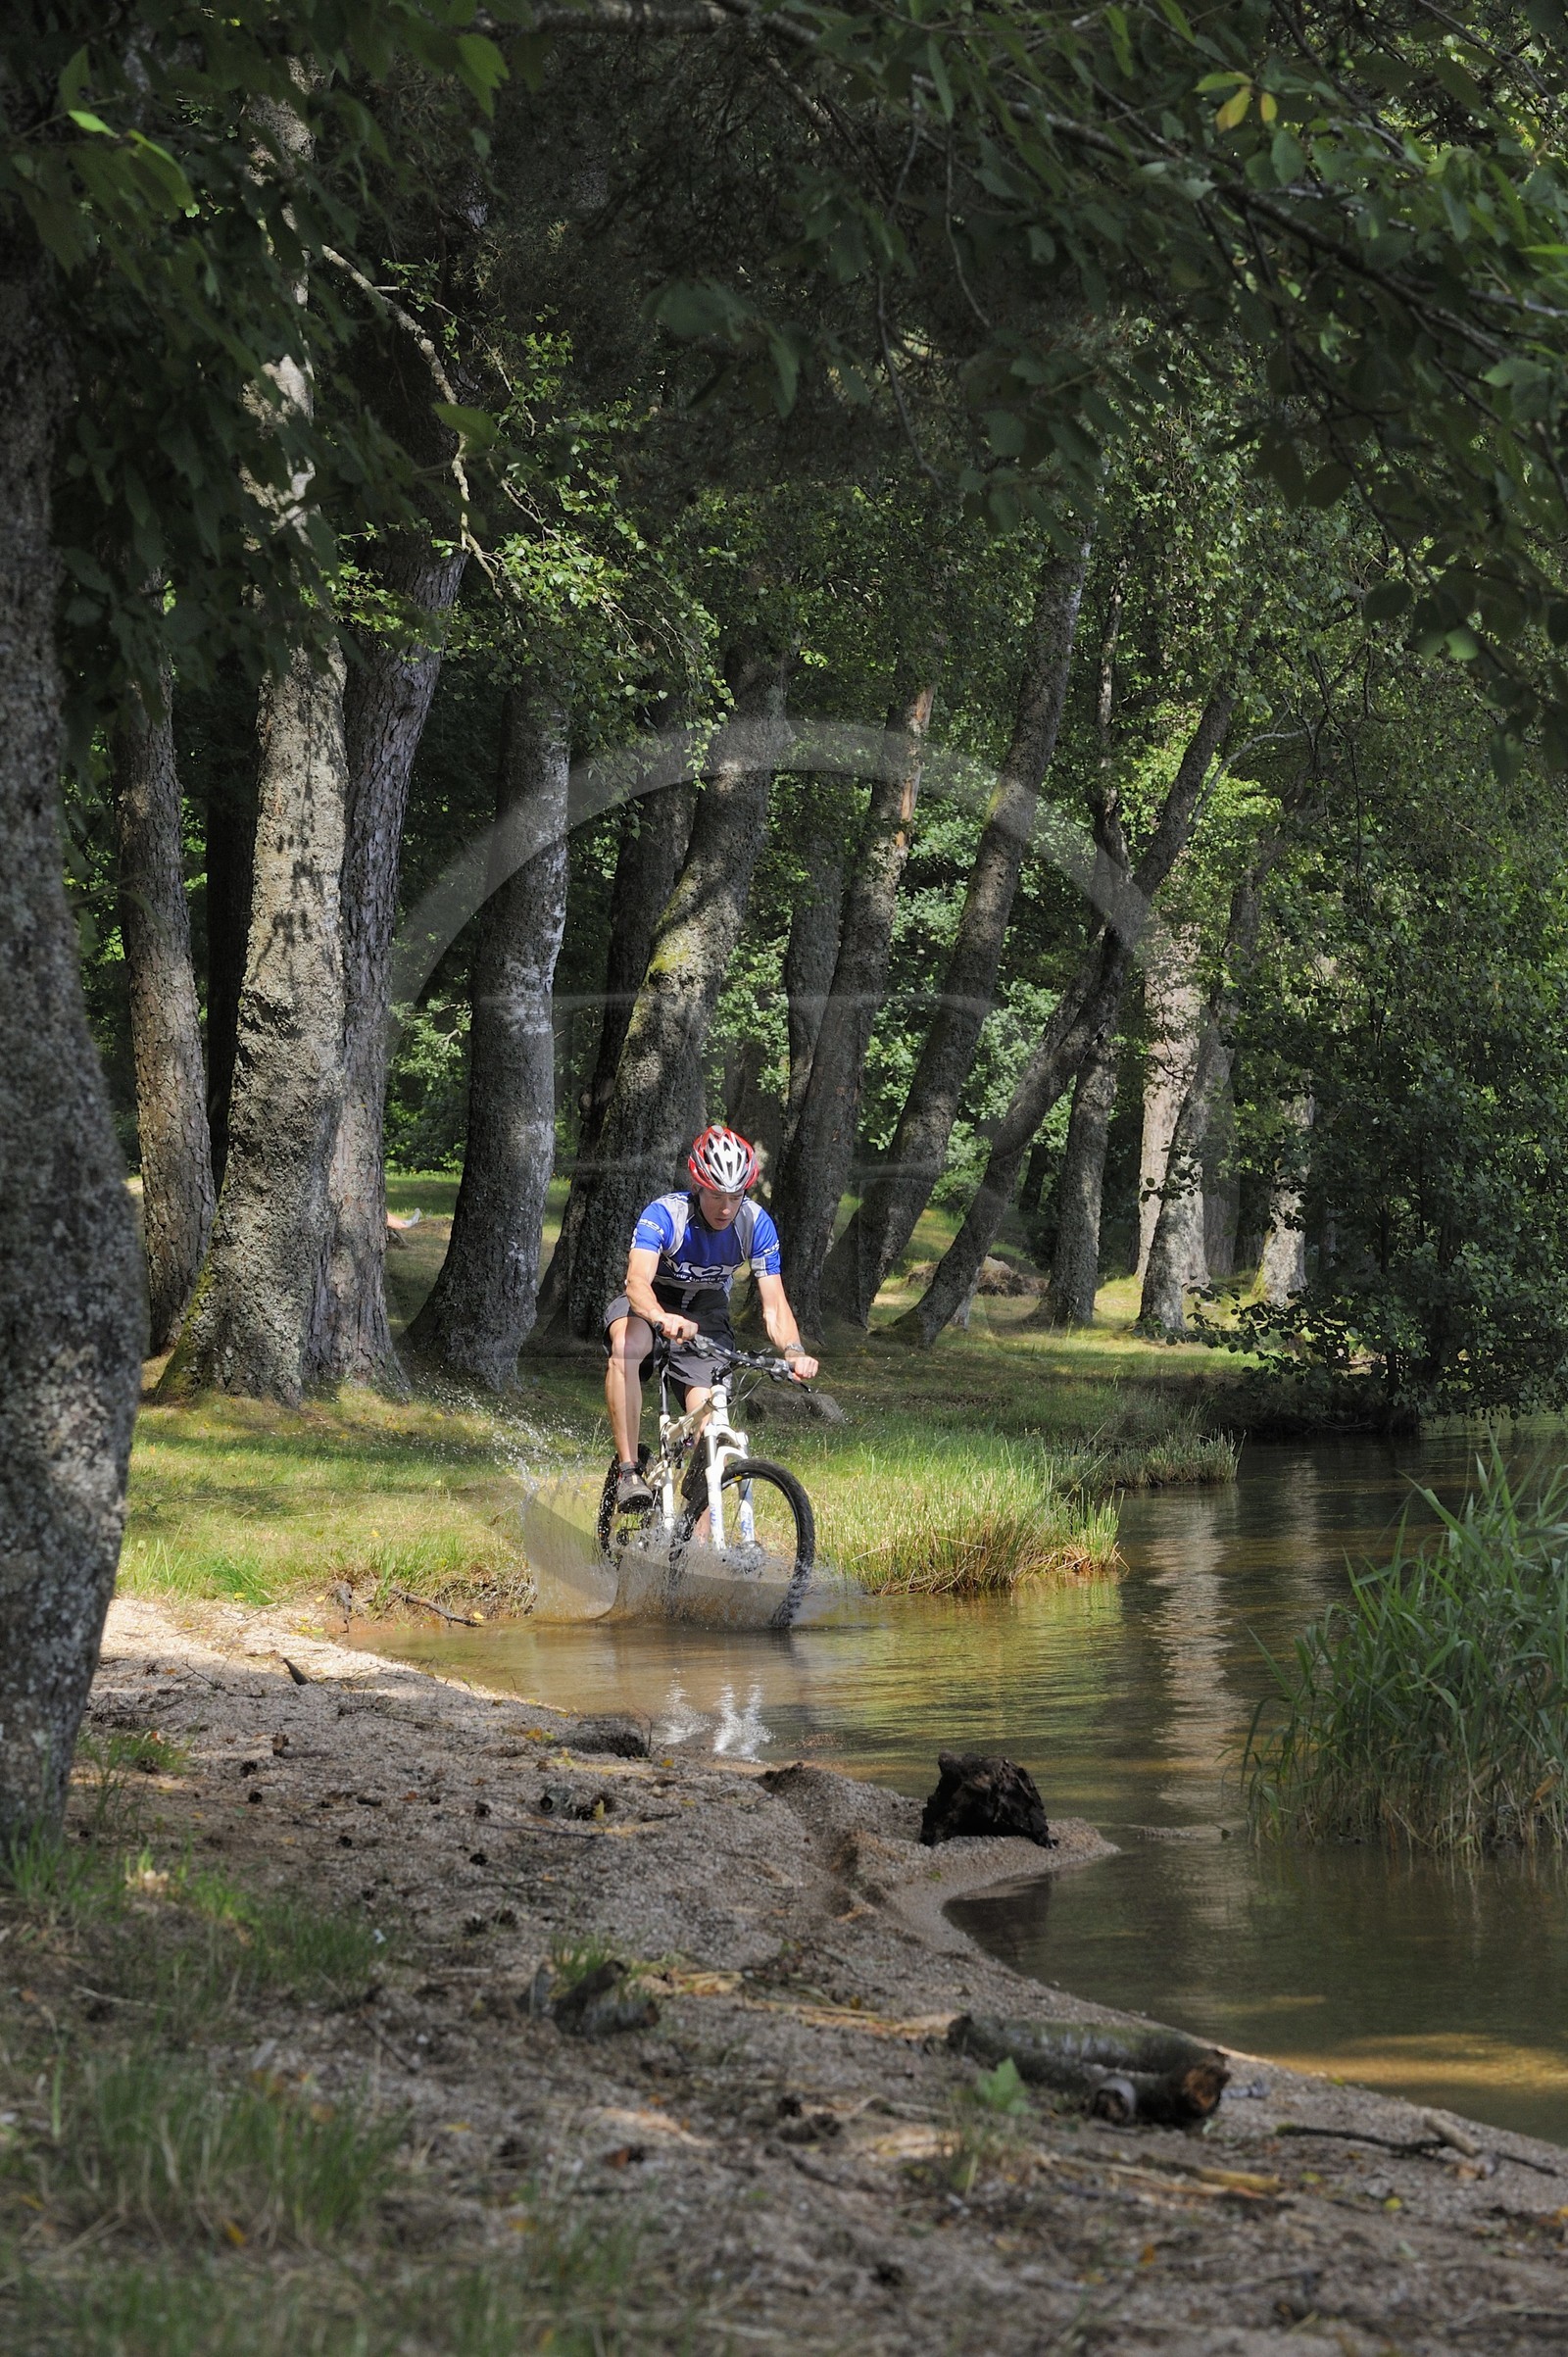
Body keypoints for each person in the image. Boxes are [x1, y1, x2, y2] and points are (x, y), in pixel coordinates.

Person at [605, 1124, 820, 1506]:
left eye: (735, 1197)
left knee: (712, 1420)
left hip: (707, 1311)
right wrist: (660, 1316)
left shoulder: (755, 1224)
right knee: (627, 1344)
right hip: (653, 1300)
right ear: (698, 1186)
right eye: (716, 1196)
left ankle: (699, 1541)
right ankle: (628, 1471)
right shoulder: (666, 1214)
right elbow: (636, 1282)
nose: (725, 1208)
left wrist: (793, 1349)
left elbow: (774, 1305)